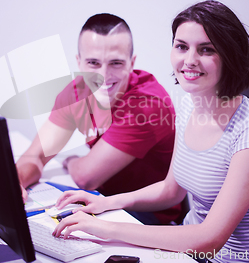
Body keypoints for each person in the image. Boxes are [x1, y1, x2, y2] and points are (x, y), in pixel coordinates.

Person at [52, 1, 249, 263]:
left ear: (230, 56)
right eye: (182, 46)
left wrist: (105, 229)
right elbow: (171, 190)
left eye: (206, 50)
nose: (189, 60)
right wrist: (107, 203)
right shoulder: (188, 106)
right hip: (183, 255)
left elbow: (209, 240)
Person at [16, 13, 181, 225]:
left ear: (132, 63)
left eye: (115, 63)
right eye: (93, 63)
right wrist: (15, 182)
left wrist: (71, 160)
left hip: (146, 216)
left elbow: (87, 177)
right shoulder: (76, 93)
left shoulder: (147, 105)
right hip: (100, 199)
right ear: (79, 62)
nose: (103, 75)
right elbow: (35, 156)